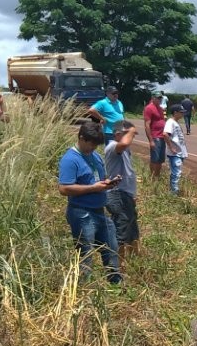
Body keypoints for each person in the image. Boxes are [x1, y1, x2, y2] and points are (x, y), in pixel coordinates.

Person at [57, 121, 121, 284]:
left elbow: (100, 179)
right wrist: (93, 188)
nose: (92, 148)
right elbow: (64, 189)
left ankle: (115, 284)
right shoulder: (70, 159)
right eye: (90, 144)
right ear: (81, 138)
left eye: (95, 145)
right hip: (82, 213)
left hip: (100, 210)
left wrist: (108, 183)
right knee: (85, 256)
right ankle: (84, 291)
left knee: (112, 249)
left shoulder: (96, 157)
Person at [104, 121, 140, 260]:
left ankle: (133, 262)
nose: (132, 138)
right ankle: (118, 266)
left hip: (126, 193)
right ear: (118, 134)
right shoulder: (113, 146)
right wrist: (132, 130)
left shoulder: (124, 150)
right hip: (117, 194)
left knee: (131, 229)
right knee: (121, 230)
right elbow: (123, 144)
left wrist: (132, 194)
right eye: (129, 134)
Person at [164, 104, 189, 195]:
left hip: (178, 152)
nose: (182, 114)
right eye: (181, 112)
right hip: (174, 153)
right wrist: (171, 147)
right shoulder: (170, 122)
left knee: (176, 172)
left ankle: (174, 190)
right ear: (175, 113)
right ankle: (174, 192)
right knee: (176, 173)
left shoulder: (175, 122)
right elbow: (165, 134)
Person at [143, 92, 167, 180]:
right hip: (155, 136)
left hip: (162, 136)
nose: (159, 100)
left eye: (161, 98)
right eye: (158, 98)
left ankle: (157, 176)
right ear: (153, 98)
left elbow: (163, 119)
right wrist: (151, 140)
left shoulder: (160, 108)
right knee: (155, 159)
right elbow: (147, 125)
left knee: (160, 159)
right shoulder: (149, 108)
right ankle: (152, 177)